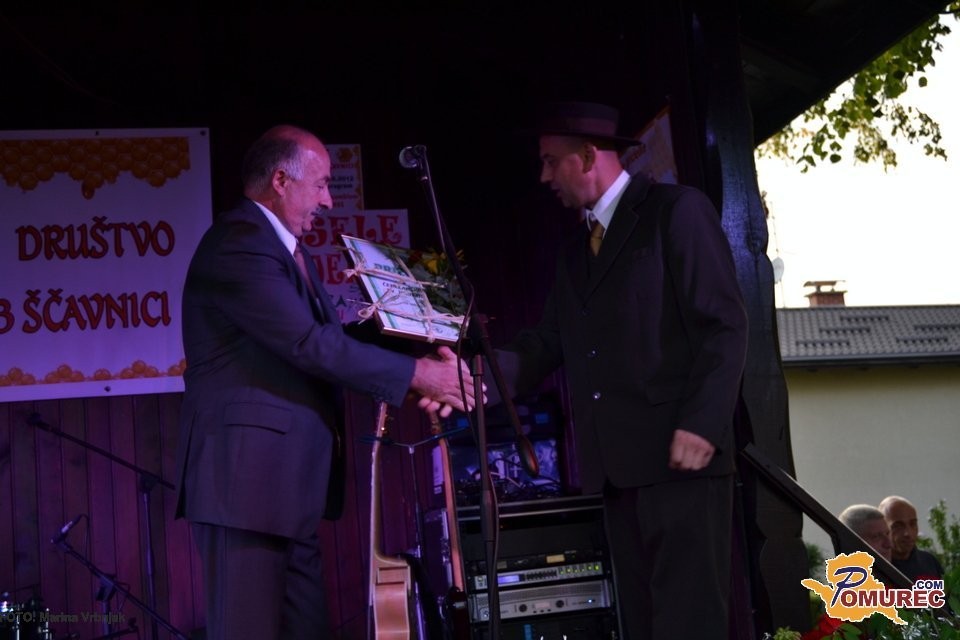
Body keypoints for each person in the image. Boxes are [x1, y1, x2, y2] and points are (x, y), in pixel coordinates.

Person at [173, 124, 479, 640]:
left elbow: (326, 339)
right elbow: (309, 344)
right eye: (319, 185)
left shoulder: (287, 250)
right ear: (280, 180)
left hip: (287, 491)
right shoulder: (238, 244)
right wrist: (421, 376)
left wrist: (419, 329)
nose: (327, 201)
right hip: (243, 490)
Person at [491, 102, 749, 640]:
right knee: (642, 626)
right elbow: (546, 343)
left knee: (689, 626)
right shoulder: (573, 253)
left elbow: (724, 326)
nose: (543, 176)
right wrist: (471, 377)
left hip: (682, 463)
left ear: (588, 157)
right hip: (616, 473)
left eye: (550, 161)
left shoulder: (676, 211)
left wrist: (702, 423)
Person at [878, 495, 945, 581]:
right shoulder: (874, 568)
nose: (908, 533)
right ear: (882, 528)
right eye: (898, 526)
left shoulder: (929, 562)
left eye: (912, 524)